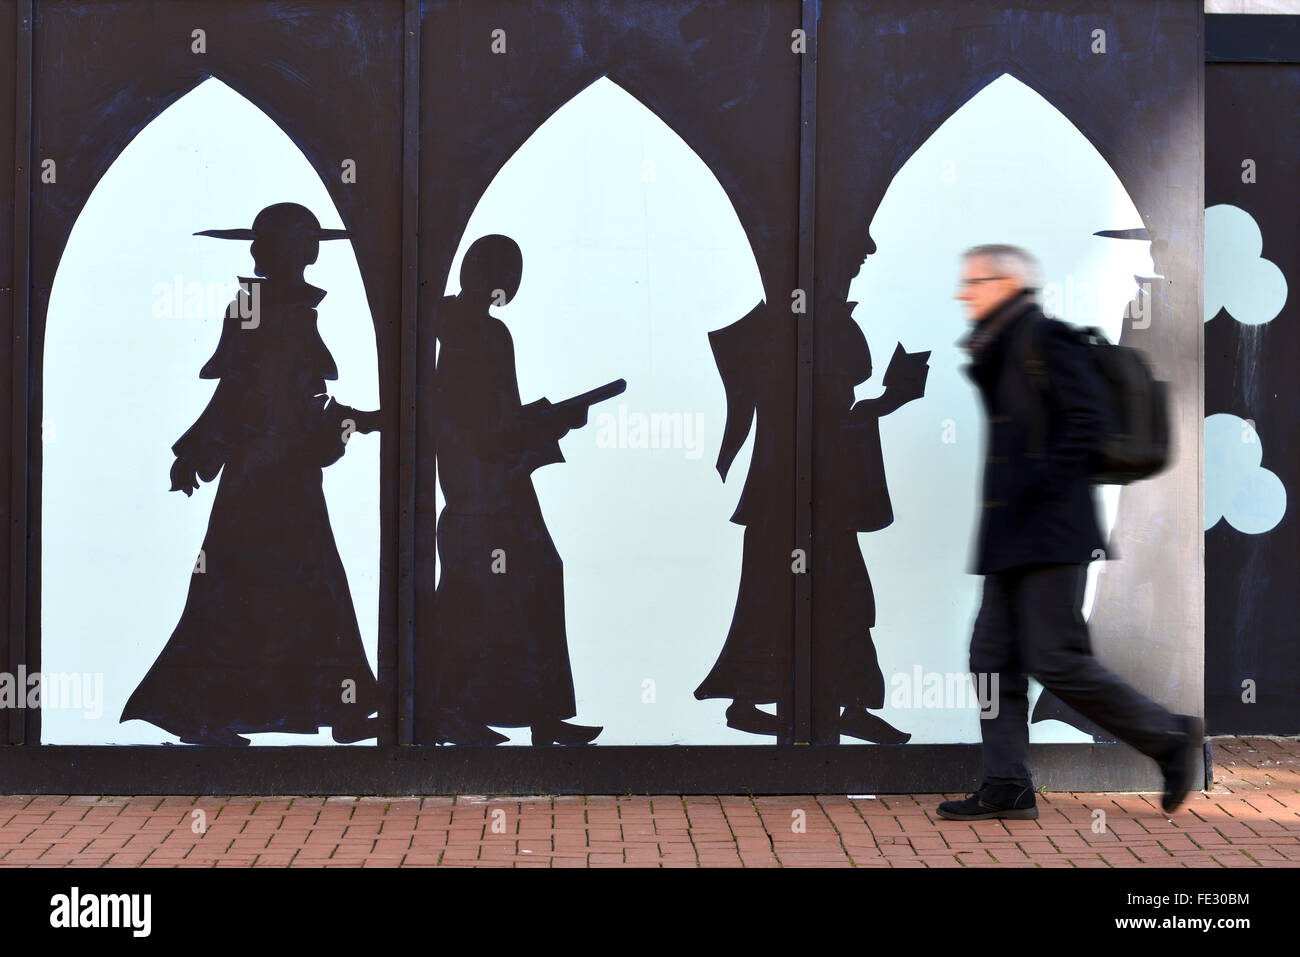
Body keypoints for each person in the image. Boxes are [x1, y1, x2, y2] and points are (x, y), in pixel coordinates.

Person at [936, 243, 1201, 820]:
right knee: (991, 659)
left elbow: (1088, 425)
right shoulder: (1002, 346)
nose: (964, 292)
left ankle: (1170, 738)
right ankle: (1006, 782)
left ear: (1007, 284)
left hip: (1051, 535)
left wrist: (1036, 489)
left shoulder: (1045, 339)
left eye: (974, 281)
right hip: (1012, 538)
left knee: (1055, 660)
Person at [121, 203, 381, 746]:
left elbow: (305, 396)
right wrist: (199, 451)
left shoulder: (291, 308)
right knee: (237, 585)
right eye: (300, 243)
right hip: (262, 475)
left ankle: (342, 708)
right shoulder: (253, 304)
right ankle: (207, 714)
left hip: (289, 473)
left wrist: (348, 420)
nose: (305, 254)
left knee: (309, 584)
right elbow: (237, 389)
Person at [426, 233, 603, 747]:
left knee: (515, 583)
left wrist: (544, 420)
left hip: (485, 481)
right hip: (486, 486)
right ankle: (460, 710)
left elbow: (490, 418)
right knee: (489, 590)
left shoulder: (454, 328)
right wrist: (553, 423)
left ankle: (533, 716)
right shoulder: (477, 334)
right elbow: (486, 423)